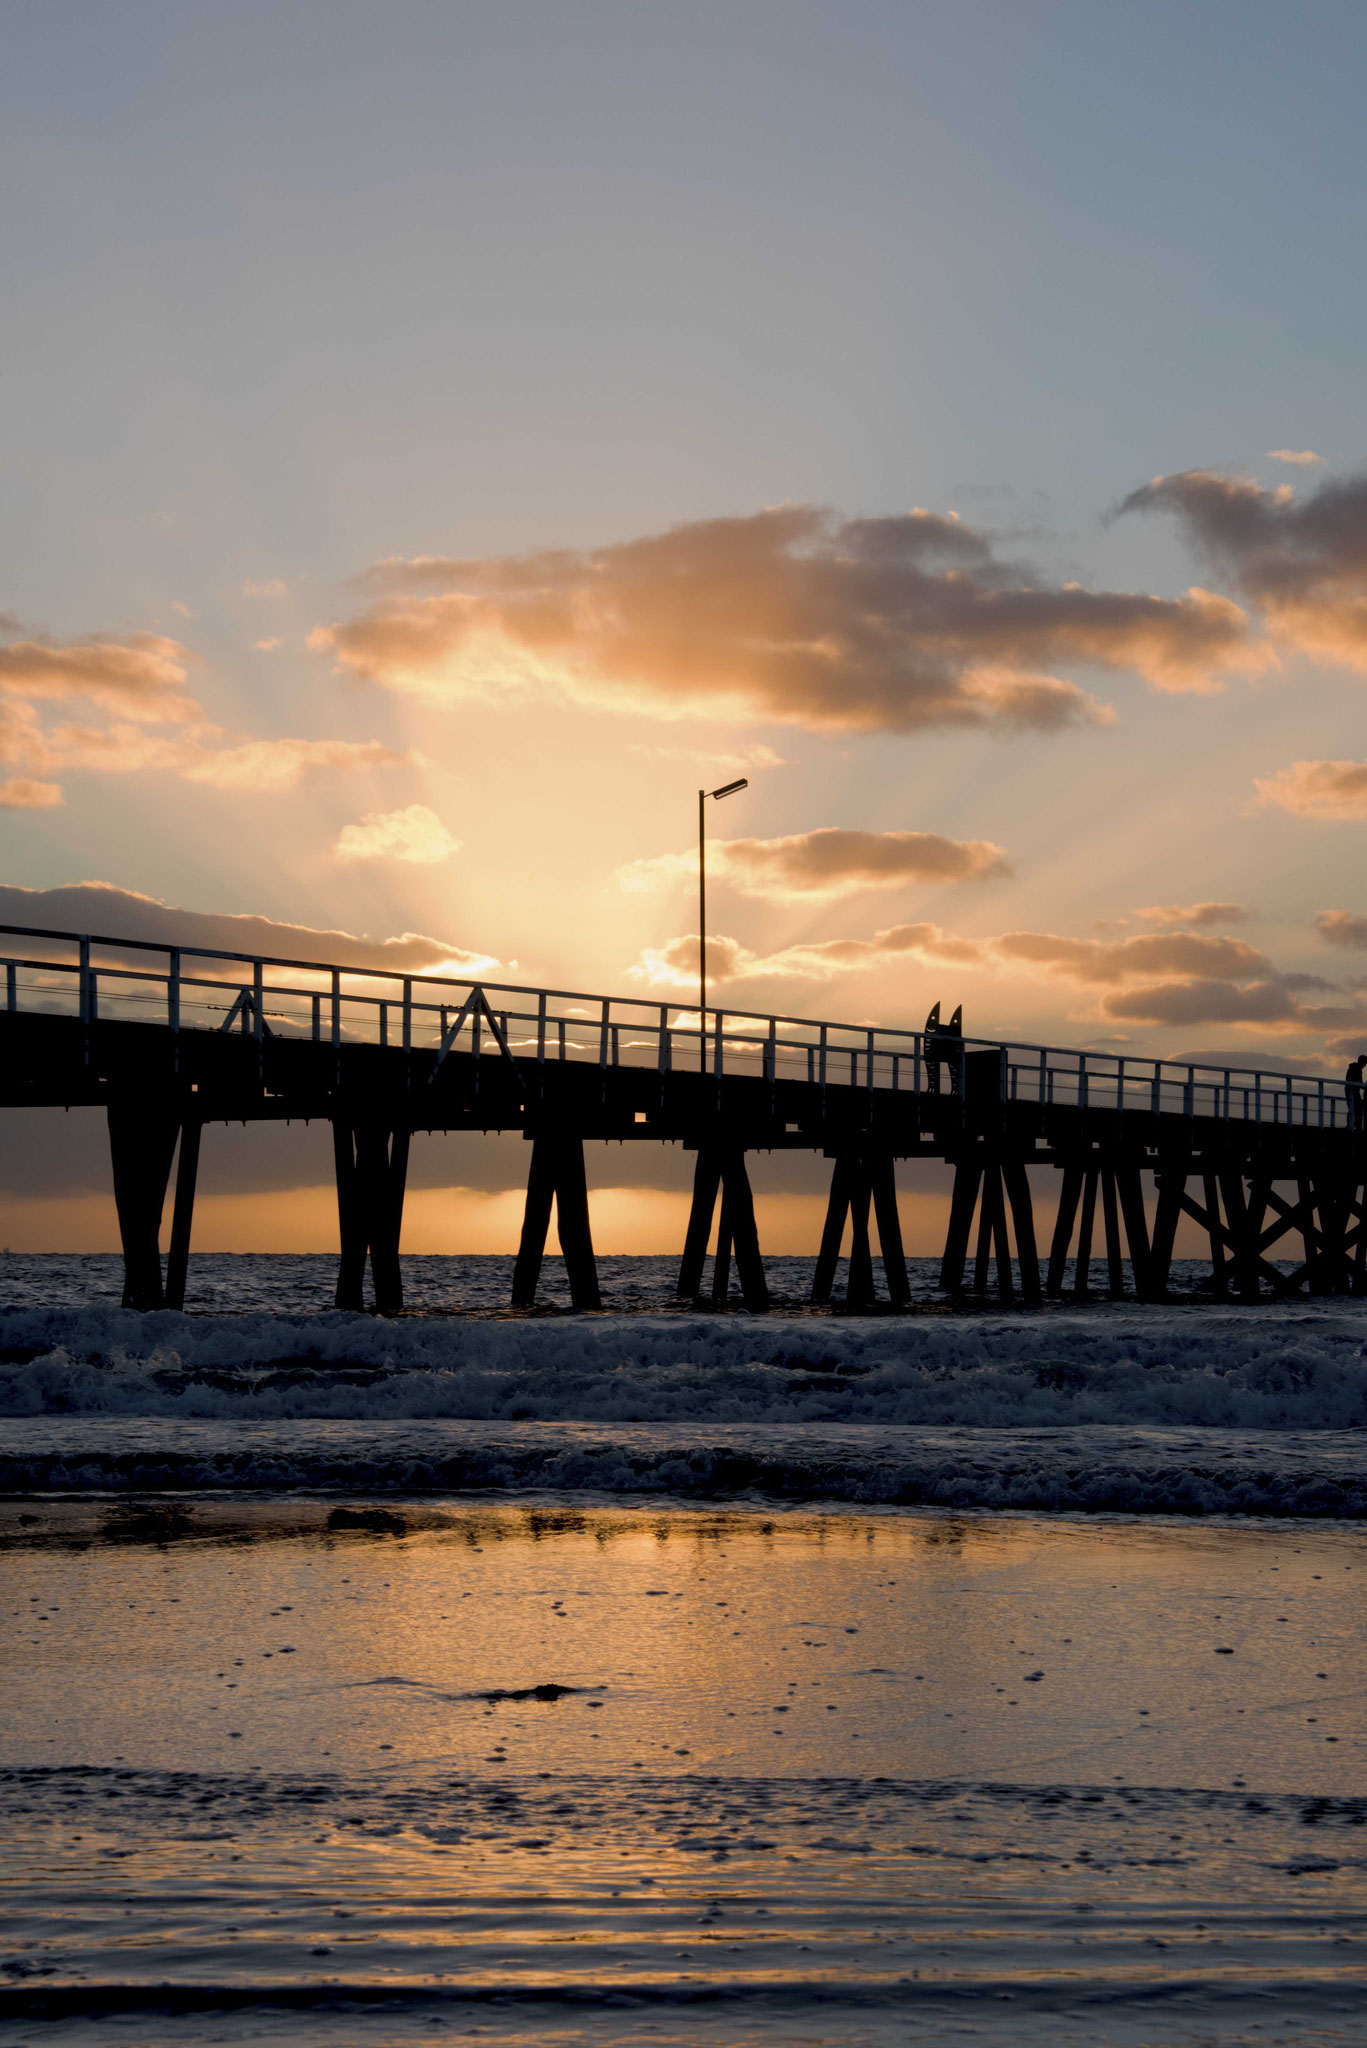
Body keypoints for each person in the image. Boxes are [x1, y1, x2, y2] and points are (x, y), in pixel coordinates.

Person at [923, 1002, 963, 1097]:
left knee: (951, 1063)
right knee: (936, 1062)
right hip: (947, 1047)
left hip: (950, 1047)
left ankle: (953, 1090)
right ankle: (950, 1090)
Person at [1346, 1054, 1367, 1131]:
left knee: (1352, 1108)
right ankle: (1357, 1126)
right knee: (1358, 1109)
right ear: (1363, 1062)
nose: (1365, 1066)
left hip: (1349, 1091)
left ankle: (1350, 1125)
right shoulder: (1358, 1069)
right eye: (1365, 1064)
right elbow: (1359, 1083)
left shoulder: (1352, 1068)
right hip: (1354, 1092)